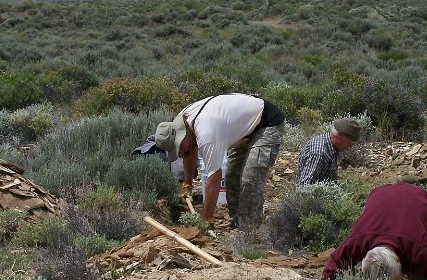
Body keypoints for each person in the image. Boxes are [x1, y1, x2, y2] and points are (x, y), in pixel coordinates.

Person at [155, 93, 285, 231]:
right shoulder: (181, 122)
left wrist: (206, 218)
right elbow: (189, 149)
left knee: (250, 178)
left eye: (178, 146)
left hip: (266, 123)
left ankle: (250, 231)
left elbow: (214, 177)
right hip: (242, 130)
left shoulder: (207, 133)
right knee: (232, 177)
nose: (180, 151)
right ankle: (237, 223)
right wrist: (187, 184)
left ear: (182, 133)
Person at [296, 118, 361, 186]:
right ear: (339, 135)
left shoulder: (331, 146)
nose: (350, 146)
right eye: (349, 142)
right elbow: (304, 187)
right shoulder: (319, 153)